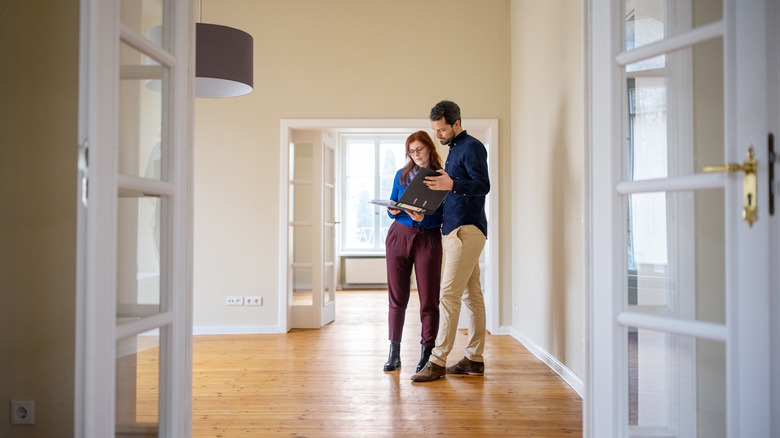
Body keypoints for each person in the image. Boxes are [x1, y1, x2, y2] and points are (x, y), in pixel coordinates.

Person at [411, 100, 490, 382]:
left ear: (457, 123)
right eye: (436, 131)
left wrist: (452, 184)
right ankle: (474, 359)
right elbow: (451, 196)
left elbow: (483, 185)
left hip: (466, 231)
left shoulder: (472, 147)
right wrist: (423, 211)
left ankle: (437, 360)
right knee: (471, 295)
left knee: (448, 296)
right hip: (455, 230)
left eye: (442, 130)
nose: (438, 136)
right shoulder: (454, 150)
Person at [383, 131, 445, 374]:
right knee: (396, 298)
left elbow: (444, 216)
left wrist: (425, 216)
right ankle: (393, 352)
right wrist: (394, 211)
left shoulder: (442, 177)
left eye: (419, 149)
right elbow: (392, 204)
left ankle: (427, 352)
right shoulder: (402, 175)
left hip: (427, 239)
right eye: (411, 151)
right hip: (398, 236)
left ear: (429, 148)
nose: (415, 154)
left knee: (429, 299)